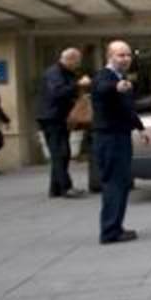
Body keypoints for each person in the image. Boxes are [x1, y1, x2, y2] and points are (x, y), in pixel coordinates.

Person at [91, 40, 151, 245]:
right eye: (120, 55)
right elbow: (101, 88)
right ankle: (109, 231)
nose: (125, 59)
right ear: (110, 57)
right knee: (114, 185)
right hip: (109, 140)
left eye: (127, 55)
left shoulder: (121, 78)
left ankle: (116, 227)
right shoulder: (105, 77)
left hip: (120, 137)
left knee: (122, 184)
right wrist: (116, 86)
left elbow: (127, 109)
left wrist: (140, 128)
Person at [36, 48, 91, 197]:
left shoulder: (63, 72)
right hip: (52, 118)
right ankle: (66, 187)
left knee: (60, 153)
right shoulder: (54, 73)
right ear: (70, 59)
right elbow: (57, 92)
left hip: (58, 117)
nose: (78, 65)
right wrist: (78, 85)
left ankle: (55, 189)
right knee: (60, 153)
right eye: (77, 62)